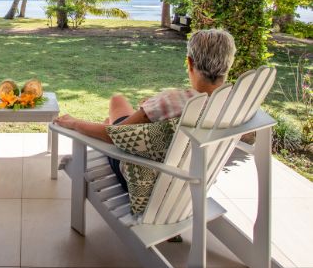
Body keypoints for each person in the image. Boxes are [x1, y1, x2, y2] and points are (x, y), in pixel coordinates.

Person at [54, 28, 236, 189]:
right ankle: (124, 118)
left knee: (117, 101)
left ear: (189, 62)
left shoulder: (171, 101)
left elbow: (113, 135)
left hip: (146, 178)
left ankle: (111, 120)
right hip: (191, 180)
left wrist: (75, 123)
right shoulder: (233, 103)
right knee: (120, 108)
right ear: (229, 63)